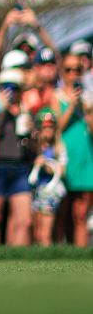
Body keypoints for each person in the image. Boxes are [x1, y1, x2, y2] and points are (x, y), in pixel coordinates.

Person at [0, 56, 34, 246]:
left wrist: (32, 134)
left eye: (14, 87)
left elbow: (30, 146)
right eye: (7, 87)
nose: (10, 91)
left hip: (20, 167)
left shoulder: (25, 111)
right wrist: (0, 111)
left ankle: (18, 261)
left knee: (24, 220)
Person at [56, 53, 93, 246]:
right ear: (62, 72)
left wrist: (87, 111)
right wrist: (71, 105)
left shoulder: (88, 97)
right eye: (68, 70)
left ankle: (80, 258)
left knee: (80, 213)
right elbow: (56, 128)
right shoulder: (56, 96)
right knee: (62, 212)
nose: (72, 74)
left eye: (77, 70)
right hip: (64, 159)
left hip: (85, 158)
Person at [29, 111, 67, 246]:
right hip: (36, 190)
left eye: (51, 127)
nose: (48, 131)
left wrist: (46, 164)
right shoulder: (36, 147)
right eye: (45, 128)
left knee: (45, 233)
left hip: (49, 192)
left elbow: (62, 170)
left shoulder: (58, 147)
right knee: (36, 232)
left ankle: (47, 263)